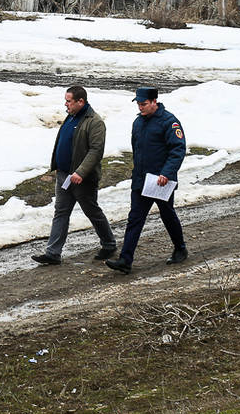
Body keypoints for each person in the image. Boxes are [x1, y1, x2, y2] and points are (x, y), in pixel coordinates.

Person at [105, 87, 187, 274]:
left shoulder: (169, 122)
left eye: (144, 104)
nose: (140, 107)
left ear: (154, 102)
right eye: (139, 104)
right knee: (135, 218)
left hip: (161, 181)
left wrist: (166, 173)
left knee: (167, 215)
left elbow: (178, 150)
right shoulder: (138, 122)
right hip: (141, 180)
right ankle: (125, 260)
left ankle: (180, 248)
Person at [31, 85, 116, 265]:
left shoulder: (95, 122)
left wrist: (81, 172)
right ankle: (53, 253)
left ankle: (109, 244)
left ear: (80, 101)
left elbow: (96, 151)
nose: (65, 104)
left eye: (68, 101)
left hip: (82, 179)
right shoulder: (70, 117)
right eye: (66, 100)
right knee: (61, 212)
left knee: (92, 211)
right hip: (64, 176)